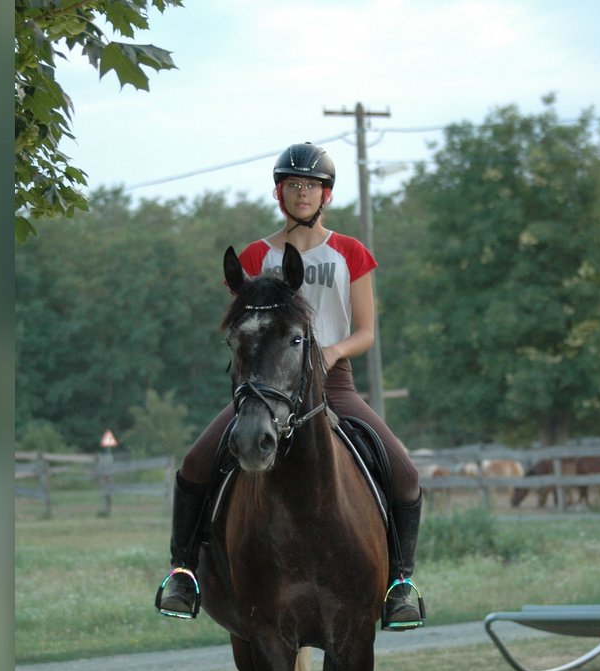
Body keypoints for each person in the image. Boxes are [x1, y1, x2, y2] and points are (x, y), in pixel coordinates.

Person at [154, 142, 425, 630]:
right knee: (195, 463)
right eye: (293, 185)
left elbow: (365, 330)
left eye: (312, 186)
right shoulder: (257, 254)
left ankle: (399, 584)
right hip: (265, 385)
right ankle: (183, 574)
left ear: (326, 195)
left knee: (404, 473)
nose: (302, 193)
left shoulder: (350, 253)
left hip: (332, 384)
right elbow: (243, 325)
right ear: (280, 192)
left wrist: (332, 351)